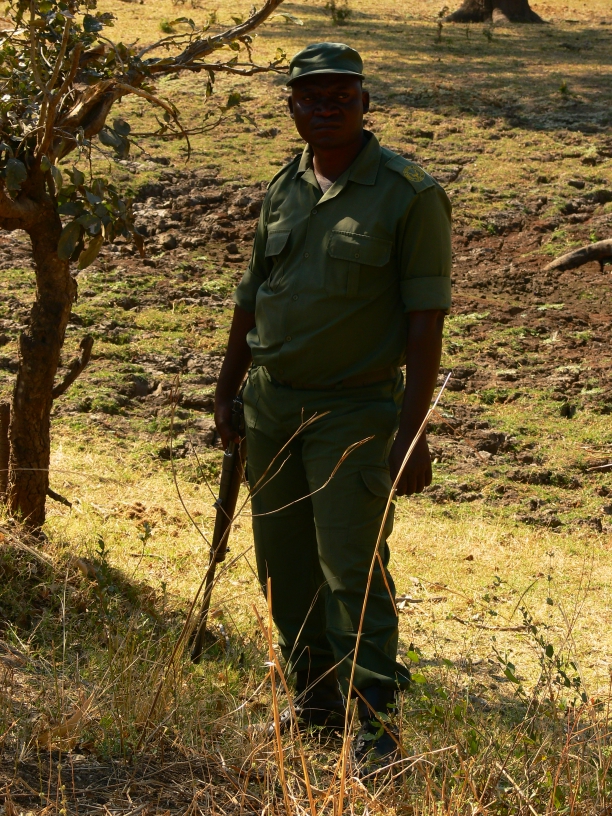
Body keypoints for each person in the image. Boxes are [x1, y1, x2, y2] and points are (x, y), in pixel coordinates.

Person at [214, 42, 451, 772]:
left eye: (340, 97)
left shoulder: (409, 194)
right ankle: (315, 700)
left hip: (354, 411)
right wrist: (226, 388)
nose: (325, 109)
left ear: (364, 103)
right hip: (271, 406)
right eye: (310, 98)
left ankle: (373, 721)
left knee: (352, 568)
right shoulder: (284, 186)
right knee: (282, 564)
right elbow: (253, 295)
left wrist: (412, 434)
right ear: (291, 107)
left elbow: (425, 323)